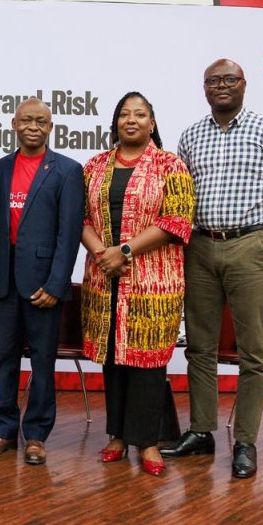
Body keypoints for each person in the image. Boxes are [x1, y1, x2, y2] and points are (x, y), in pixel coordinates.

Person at [161, 59, 263, 478]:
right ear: (204, 88)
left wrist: (261, 234)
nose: (220, 86)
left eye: (229, 79)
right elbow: (180, 198)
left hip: (250, 246)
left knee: (253, 353)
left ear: (244, 84)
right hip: (201, 248)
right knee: (199, 348)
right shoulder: (190, 136)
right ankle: (201, 432)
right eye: (213, 80)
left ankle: (245, 441)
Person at [81, 92, 195, 477]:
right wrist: (103, 254)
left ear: (152, 121)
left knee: (147, 362)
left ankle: (147, 441)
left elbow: (177, 220)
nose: (132, 120)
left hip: (153, 282)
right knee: (113, 358)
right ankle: (117, 435)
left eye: (140, 114)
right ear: (114, 123)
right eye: (124, 115)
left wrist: (124, 250)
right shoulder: (95, 166)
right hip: (104, 278)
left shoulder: (170, 166)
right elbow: (81, 217)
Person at [0, 98, 84, 465]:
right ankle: (3, 430)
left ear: (50, 127)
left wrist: (56, 285)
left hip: (43, 288)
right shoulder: (0, 168)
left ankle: (36, 435)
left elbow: (68, 235)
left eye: (41, 121)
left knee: (42, 363)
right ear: (14, 124)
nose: (34, 126)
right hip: (5, 284)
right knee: (3, 360)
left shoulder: (67, 170)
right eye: (27, 120)